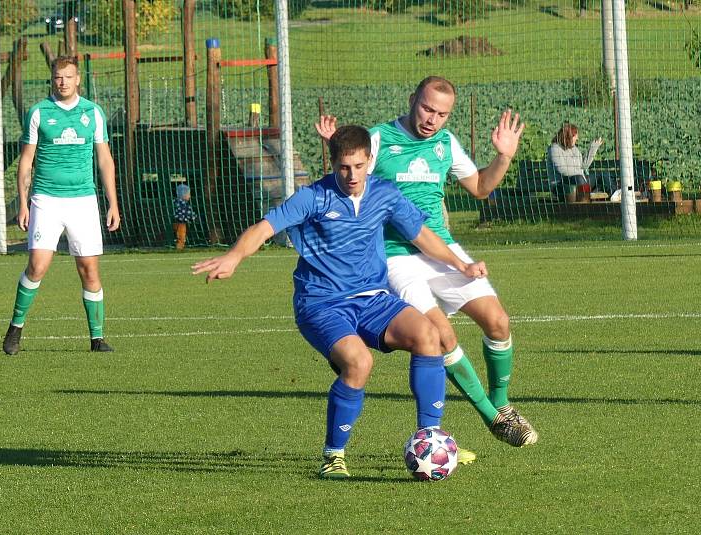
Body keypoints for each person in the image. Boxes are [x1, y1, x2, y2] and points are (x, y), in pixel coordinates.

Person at [192, 125, 487, 479]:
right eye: (344, 167)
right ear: (332, 163)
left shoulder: (385, 194)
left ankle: (430, 437)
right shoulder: (313, 197)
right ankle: (333, 455)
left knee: (430, 336)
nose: (352, 175)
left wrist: (461, 264)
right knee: (359, 363)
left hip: (373, 299)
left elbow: (422, 235)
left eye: (359, 166)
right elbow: (265, 227)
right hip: (322, 303)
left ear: (369, 161)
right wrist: (234, 257)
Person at [316, 77, 538, 456]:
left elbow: (482, 187)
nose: (432, 119)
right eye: (427, 109)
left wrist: (504, 156)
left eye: (441, 114)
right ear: (411, 100)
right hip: (394, 256)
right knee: (442, 335)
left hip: (441, 248)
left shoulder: (445, 143)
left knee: (498, 321)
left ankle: (502, 403)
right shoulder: (379, 139)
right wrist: (334, 146)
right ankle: (492, 418)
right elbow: (347, 176)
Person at [2, 55, 120, 355]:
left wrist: (112, 203)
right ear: (51, 79)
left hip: (83, 200)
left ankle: (97, 339)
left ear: (78, 79)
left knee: (89, 270)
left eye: (68, 76)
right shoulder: (39, 112)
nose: (63, 82)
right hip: (46, 199)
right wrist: (24, 203)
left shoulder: (92, 113)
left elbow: (105, 159)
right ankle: (15, 328)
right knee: (37, 265)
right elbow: (26, 160)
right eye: (58, 77)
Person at [546, 122, 604, 200]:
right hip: (561, 186)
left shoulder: (574, 149)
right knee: (579, 178)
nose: (577, 138)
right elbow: (563, 170)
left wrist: (593, 147)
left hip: (579, 183)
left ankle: (616, 194)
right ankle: (584, 202)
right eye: (575, 136)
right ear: (568, 137)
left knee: (601, 175)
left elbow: (584, 166)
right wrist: (580, 174)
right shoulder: (554, 149)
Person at [172, 184, 197, 250]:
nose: (189, 196)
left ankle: (176, 246)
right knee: (181, 237)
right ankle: (179, 248)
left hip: (174, 221)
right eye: (188, 194)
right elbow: (188, 213)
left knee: (176, 236)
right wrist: (193, 217)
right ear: (184, 195)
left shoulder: (174, 202)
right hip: (181, 223)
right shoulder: (184, 204)